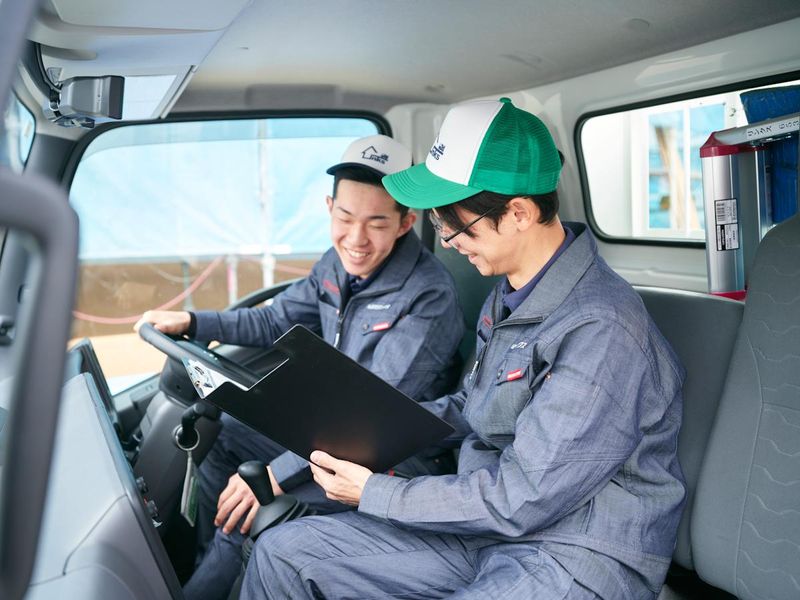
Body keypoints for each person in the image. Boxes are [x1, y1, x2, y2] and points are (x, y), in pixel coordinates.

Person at [241, 98, 686, 599]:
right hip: (485, 532)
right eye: (439, 223)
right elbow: (475, 406)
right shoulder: (511, 293)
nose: (449, 241)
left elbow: (525, 496)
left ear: (519, 213)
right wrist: (367, 430)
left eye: (456, 223)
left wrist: (375, 492)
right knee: (285, 552)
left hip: (574, 553)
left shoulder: (601, 329)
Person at [135, 134, 465, 600]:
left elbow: (373, 416)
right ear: (329, 207)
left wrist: (277, 472)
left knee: (253, 504)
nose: (356, 239)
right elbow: (275, 320)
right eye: (345, 218)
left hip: (388, 456)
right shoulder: (336, 264)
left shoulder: (428, 295)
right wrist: (193, 321)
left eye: (376, 223)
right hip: (327, 433)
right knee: (224, 435)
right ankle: (209, 565)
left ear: (405, 222)